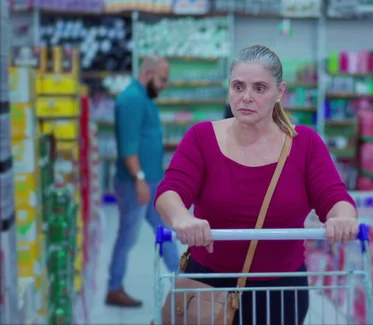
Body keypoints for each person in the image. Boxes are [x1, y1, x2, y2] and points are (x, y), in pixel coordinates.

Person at [154, 45, 359, 324]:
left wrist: (343, 218)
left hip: (280, 294)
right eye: (238, 87)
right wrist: (181, 218)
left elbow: (334, 197)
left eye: (259, 88)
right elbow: (171, 190)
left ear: (279, 92)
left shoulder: (305, 145)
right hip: (205, 288)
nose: (246, 97)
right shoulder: (201, 137)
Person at [108, 57, 180, 307]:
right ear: (148, 73)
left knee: (166, 229)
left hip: (150, 181)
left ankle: (182, 281)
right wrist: (139, 179)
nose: (164, 85)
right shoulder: (131, 100)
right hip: (135, 183)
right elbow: (128, 146)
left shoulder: (143, 98)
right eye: (162, 79)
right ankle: (113, 287)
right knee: (128, 235)